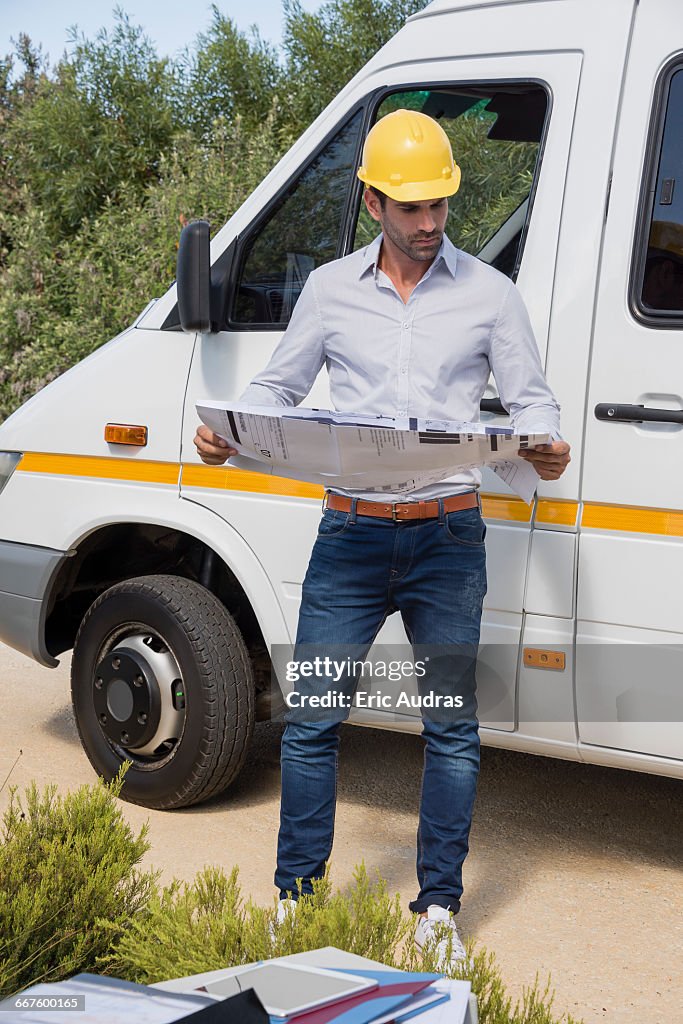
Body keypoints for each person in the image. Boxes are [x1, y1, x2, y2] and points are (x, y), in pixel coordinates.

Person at [195, 109, 571, 966]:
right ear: (371, 203)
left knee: (449, 727)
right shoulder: (328, 291)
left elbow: (531, 398)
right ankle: (296, 901)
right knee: (313, 721)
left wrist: (542, 443)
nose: (429, 223)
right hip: (350, 539)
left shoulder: (490, 295)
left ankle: (437, 908)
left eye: (439, 203)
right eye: (409, 208)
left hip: (447, 539)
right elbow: (277, 390)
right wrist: (232, 431)